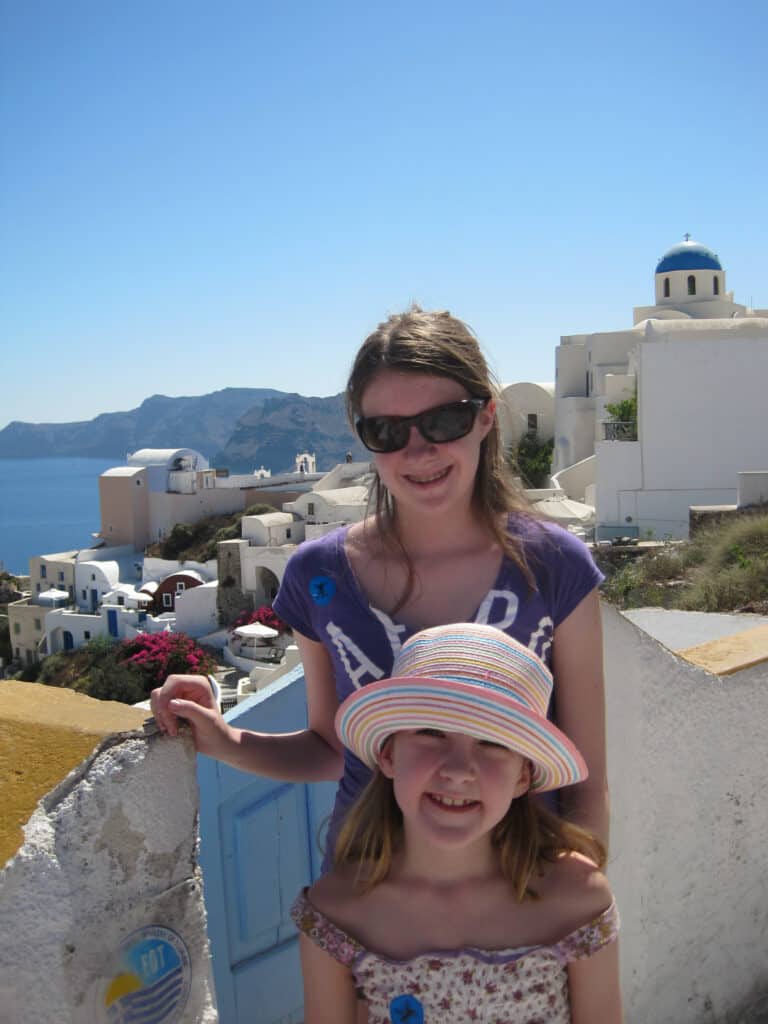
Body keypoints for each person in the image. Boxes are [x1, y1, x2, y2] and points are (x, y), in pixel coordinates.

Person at [150, 306, 608, 852]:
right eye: (387, 430)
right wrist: (224, 739)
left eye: (444, 420)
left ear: (486, 417)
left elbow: (587, 779)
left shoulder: (556, 566)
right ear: (363, 437)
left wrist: (577, 903)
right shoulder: (318, 576)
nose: (418, 450)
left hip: (523, 891)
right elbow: (332, 747)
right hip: (367, 896)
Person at [292, 623, 622, 1024]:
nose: (460, 770)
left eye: (493, 743)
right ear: (389, 754)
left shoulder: (578, 899)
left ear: (523, 777)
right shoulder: (336, 912)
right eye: (431, 733)